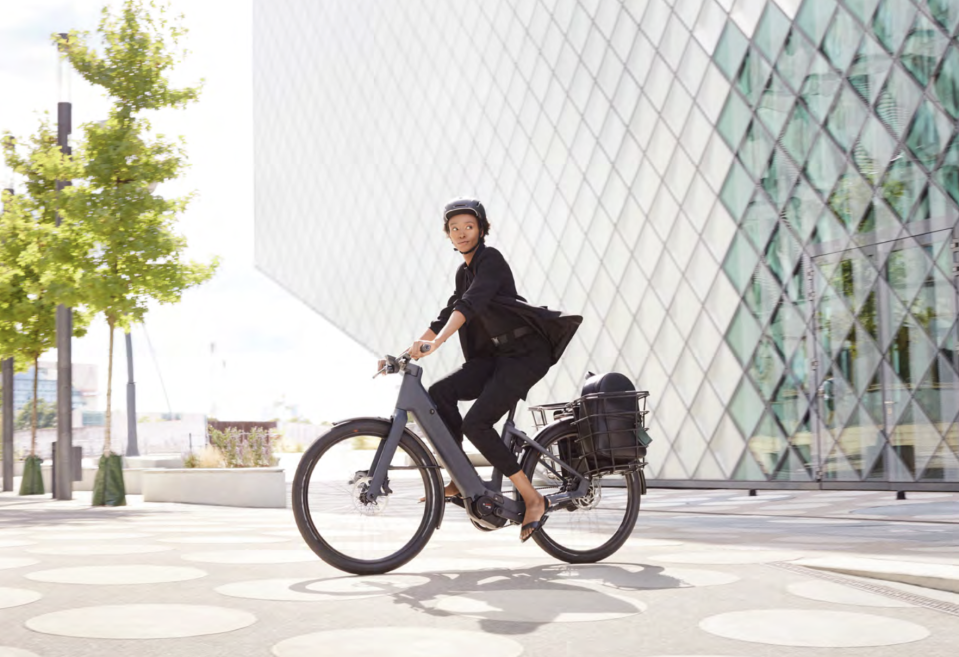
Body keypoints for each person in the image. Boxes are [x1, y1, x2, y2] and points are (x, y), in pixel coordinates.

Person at [407, 197, 581, 542]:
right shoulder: (464, 271)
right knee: (441, 393)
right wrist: (409, 351)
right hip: (498, 356)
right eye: (454, 228)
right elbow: (449, 311)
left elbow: (471, 304)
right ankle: (460, 475)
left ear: (482, 229)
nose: (461, 233)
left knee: (477, 424)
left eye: (468, 226)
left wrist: (438, 343)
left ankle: (533, 499)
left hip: (526, 354)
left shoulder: (491, 260)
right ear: (448, 235)